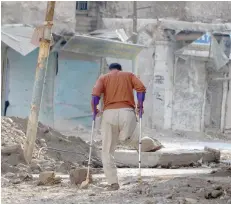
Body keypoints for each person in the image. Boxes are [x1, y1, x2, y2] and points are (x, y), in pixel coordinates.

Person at [91, 63, 161, 191]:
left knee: (107, 151)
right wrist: (140, 106)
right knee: (129, 139)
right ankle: (150, 144)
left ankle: (113, 183)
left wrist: (94, 110)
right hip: (127, 113)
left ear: (110, 70)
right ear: (120, 69)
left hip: (108, 115)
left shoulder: (103, 78)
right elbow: (141, 88)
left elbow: (95, 95)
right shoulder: (129, 75)